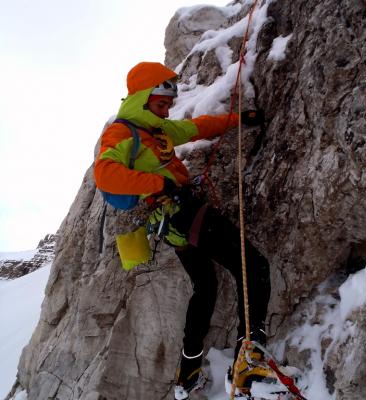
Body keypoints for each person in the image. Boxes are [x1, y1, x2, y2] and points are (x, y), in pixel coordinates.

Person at [94, 62, 271, 400]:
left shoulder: (158, 131)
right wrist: (158, 181)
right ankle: (248, 364)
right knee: (253, 266)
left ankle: (187, 373)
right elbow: (105, 174)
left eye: (168, 104)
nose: (166, 110)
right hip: (180, 212)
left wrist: (237, 121)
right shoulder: (122, 133)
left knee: (205, 287)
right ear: (143, 98)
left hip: (173, 225)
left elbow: (197, 127)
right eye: (161, 104)